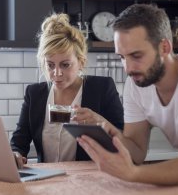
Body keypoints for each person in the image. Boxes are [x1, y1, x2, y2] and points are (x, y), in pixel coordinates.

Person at [77, 4, 178, 185]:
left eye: (137, 55)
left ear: (164, 47)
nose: (128, 68)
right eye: (122, 57)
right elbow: (137, 152)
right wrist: (111, 131)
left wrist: (132, 174)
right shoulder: (137, 84)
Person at [10, 13, 124, 166]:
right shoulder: (34, 94)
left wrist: (99, 121)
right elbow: (18, 143)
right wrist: (15, 154)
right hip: (47, 182)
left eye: (65, 65)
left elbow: (124, 141)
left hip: (89, 181)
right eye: (50, 65)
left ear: (81, 62)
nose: (56, 73)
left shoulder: (101, 89)